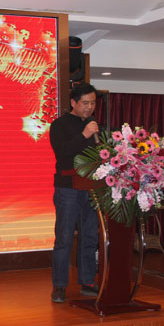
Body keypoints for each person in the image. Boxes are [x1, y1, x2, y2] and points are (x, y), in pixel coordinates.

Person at [48, 82, 100, 303]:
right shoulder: (59, 125)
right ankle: (59, 286)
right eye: (85, 103)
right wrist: (84, 135)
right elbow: (62, 152)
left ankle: (87, 282)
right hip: (68, 188)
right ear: (73, 103)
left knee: (90, 236)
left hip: (92, 187)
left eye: (93, 103)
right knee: (64, 238)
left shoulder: (94, 125)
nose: (89, 107)